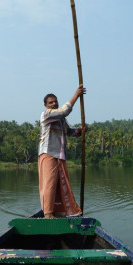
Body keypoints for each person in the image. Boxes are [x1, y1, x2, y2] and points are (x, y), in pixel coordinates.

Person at [38, 84, 87, 218]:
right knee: (49, 183)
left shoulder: (61, 120)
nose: (54, 104)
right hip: (48, 153)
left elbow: (70, 132)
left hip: (59, 155)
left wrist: (79, 131)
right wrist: (76, 95)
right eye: (50, 102)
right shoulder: (46, 114)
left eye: (55, 101)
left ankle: (59, 210)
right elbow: (64, 111)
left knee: (60, 183)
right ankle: (48, 213)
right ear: (45, 105)